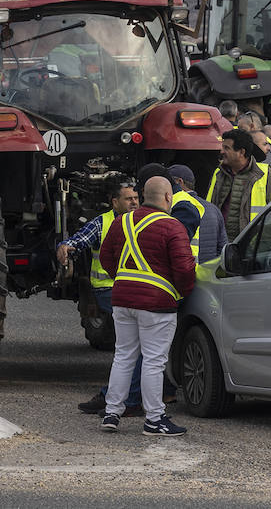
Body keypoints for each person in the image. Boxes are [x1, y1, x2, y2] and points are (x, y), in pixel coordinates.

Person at [98, 177, 196, 436]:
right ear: (167, 198)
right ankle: (154, 419)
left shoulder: (121, 222)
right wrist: (181, 292)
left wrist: (125, 279)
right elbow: (185, 268)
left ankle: (112, 412)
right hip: (157, 303)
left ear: (143, 196)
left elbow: (107, 258)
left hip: (121, 298)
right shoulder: (172, 226)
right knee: (154, 361)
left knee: (123, 355)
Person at [59, 175, 143, 416]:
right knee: (134, 347)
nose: (134, 203)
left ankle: (121, 397)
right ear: (114, 202)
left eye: (136, 198)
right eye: (128, 199)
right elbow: (77, 241)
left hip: (130, 289)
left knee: (134, 347)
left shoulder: (143, 220)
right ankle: (125, 398)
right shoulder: (102, 223)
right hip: (109, 290)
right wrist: (64, 247)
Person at [207, 128, 271, 238]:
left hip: (253, 246)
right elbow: (209, 207)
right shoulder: (218, 174)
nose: (221, 151)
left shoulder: (265, 174)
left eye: (226, 148)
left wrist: (265, 244)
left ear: (242, 152)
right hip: (222, 244)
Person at [167, 164, 227, 263]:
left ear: (179, 182)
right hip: (209, 273)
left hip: (184, 270)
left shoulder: (175, 208)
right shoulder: (213, 209)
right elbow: (223, 248)